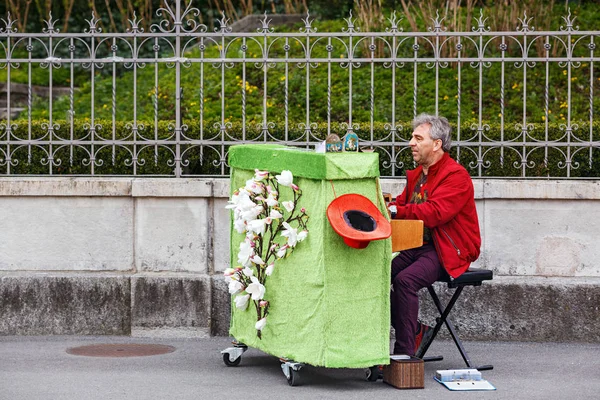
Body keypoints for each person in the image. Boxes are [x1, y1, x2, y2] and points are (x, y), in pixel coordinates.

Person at [387, 113, 481, 356]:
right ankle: (415, 330)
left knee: (405, 281)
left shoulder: (456, 176)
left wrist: (396, 209)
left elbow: (435, 212)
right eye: (412, 137)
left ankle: (404, 355)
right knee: (374, 277)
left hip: (447, 250)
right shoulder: (418, 174)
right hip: (417, 245)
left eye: (418, 138)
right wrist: (383, 207)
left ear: (437, 144)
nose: (411, 143)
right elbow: (401, 205)